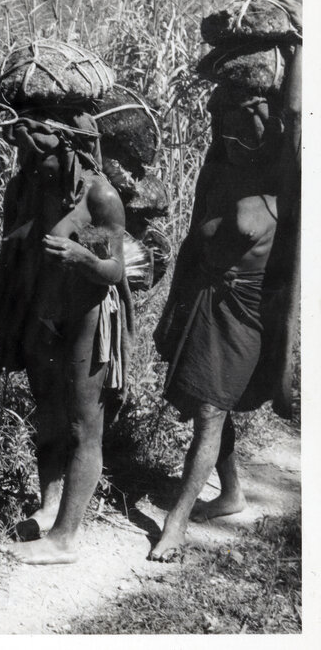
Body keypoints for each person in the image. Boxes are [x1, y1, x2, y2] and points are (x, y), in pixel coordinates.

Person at [148, 42, 301, 562]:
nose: (227, 133)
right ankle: (231, 492)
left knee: (212, 409)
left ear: (266, 117)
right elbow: (195, 236)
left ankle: (177, 522)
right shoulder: (222, 160)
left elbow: (297, 116)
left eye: (242, 120)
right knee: (204, 405)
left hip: (250, 308)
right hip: (207, 298)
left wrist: (296, 51)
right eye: (221, 121)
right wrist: (175, 304)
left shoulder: (287, 170)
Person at [0, 108, 129, 565]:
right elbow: (7, 260)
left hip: (86, 313)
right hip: (40, 312)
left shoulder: (99, 196)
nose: (28, 164)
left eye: (37, 156)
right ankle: (50, 509)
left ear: (68, 148)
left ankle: (66, 537)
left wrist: (82, 259)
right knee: (47, 410)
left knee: (84, 423)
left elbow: (115, 269)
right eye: (22, 153)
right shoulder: (23, 188)